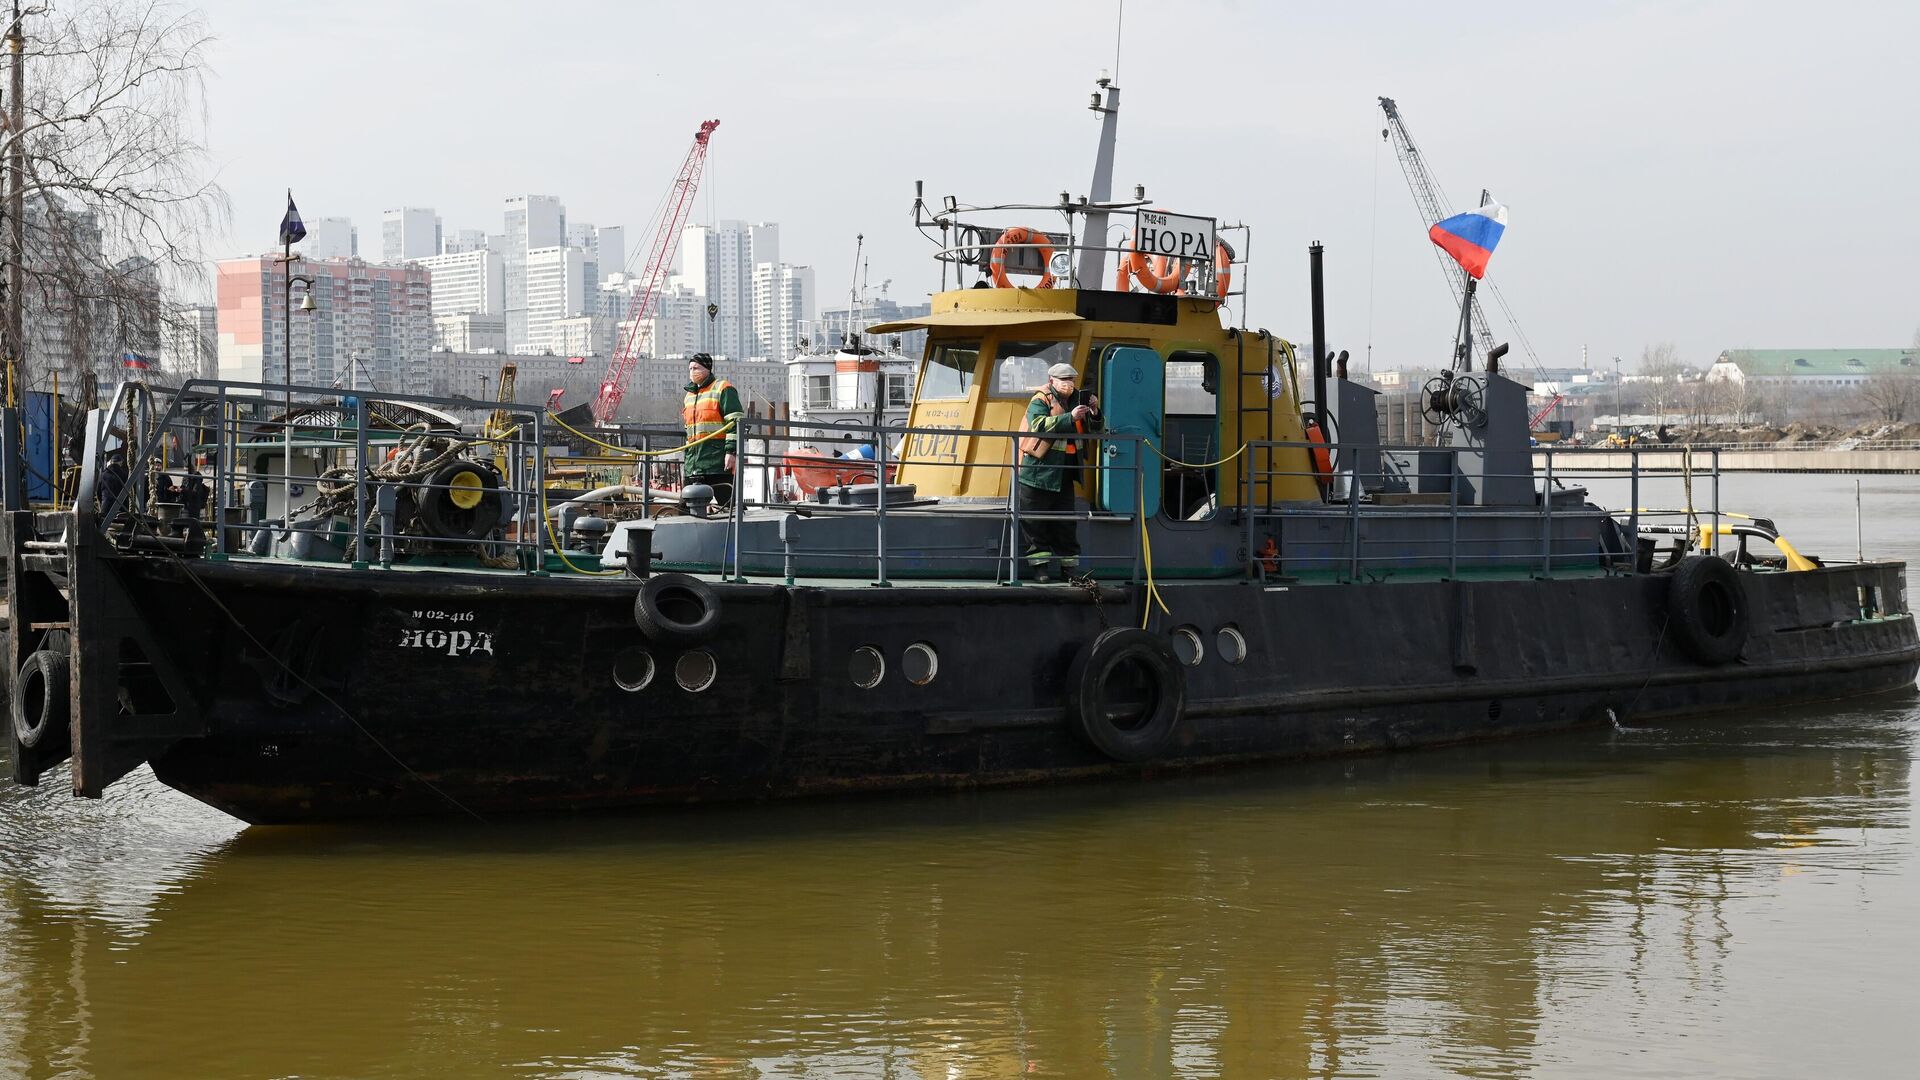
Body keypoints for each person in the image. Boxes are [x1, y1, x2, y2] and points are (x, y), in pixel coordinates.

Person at [1016, 362, 1100, 570]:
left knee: (1065, 523)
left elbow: (1096, 430)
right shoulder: (1041, 399)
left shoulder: (1078, 399)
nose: (1068, 384)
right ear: (1052, 380)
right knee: (1035, 522)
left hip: (1064, 473)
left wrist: (1095, 412)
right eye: (1064, 380)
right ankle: (1040, 569)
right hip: (1038, 472)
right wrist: (1069, 417)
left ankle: (1069, 569)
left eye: (1071, 380)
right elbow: (1037, 425)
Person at [681, 353, 744, 511]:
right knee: (685, 507)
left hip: (716, 460)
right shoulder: (689, 396)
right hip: (694, 462)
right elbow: (689, 428)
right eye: (690, 368)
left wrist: (731, 452)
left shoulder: (723, 388)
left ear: (707, 369)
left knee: (729, 505)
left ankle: (742, 532)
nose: (692, 371)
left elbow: (735, 422)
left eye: (696, 368)